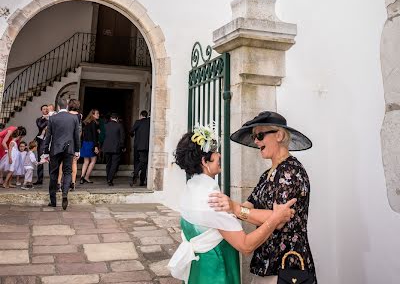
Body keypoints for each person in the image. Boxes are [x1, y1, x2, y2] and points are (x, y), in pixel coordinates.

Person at [168, 123, 296, 284]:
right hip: (217, 273)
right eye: (215, 152)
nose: (220, 155)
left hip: (200, 271)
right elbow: (245, 245)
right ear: (205, 161)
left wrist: (236, 208)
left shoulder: (190, 189)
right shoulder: (212, 199)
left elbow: (245, 207)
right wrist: (275, 218)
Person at [209, 111, 317, 284]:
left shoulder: (291, 171)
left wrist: (236, 208)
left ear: (279, 135)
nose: (256, 141)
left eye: (260, 135)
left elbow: (279, 220)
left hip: (287, 265)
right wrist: (225, 211)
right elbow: (250, 206)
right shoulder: (267, 174)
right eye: (254, 137)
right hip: (265, 262)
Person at [42, 98, 80, 210]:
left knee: (53, 174)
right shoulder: (74, 118)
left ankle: (53, 201)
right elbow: (76, 136)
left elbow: (48, 136)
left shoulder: (53, 118)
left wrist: (45, 152)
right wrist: (77, 150)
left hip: (55, 149)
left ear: (58, 107)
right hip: (69, 149)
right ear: (67, 106)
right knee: (67, 172)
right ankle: (64, 194)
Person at [57, 99, 82, 191]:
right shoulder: (79, 116)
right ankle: (73, 183)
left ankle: (59, 183)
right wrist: (78, 145)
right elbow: (79, 131)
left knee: (61, 162)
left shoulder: (66, 115)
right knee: (74, 162)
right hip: (74, 141)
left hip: (64, 140)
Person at [102, 113, 125, 186]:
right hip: (116, 148)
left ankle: (108, 177)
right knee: (114, 164)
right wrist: (123, 147)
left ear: (111, 118)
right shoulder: (119, 125)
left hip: (107, 147)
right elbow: (122, 138)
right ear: (117, 118)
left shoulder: (105, 126)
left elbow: (102, 136)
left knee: (108, 163)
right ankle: (110, 179)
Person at [130, 110, 150, 186]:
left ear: (141, 115)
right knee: (144, 163)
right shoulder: (149, 122)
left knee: (140, 161)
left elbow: (131, 131)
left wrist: (132, 135)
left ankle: (135, 173)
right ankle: (142, 181)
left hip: (138, 145)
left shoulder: (138, 122)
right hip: (147, 145)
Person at [80, 108, 100, 184]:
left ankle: (82, 177)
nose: (98, 115)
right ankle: (86, 177)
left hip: (85, 143)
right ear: (93, 114)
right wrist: (95, 146)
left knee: (86, 161)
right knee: (93, 161)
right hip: (91, 143)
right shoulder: (94, 123)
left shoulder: (86, 123)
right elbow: (94, 136)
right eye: (97, 113)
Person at [33, 104, 49, 186]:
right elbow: (41, 126)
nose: (46, 110)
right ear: (41, 110)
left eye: (47, 109)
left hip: (51, 141)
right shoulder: (39, 119)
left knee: (52, 160)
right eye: (44, 109)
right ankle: (39, 179)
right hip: (42, 141)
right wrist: (47, 120)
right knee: (40, 160)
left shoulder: (53, 118)